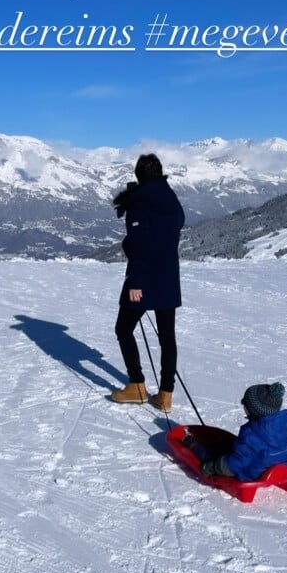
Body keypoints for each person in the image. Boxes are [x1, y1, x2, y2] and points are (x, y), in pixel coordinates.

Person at [111, 153, 185, 411]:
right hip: (168, 277)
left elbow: (140, 245)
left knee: (123, 329)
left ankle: (137, 386)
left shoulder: (140, 203)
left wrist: (135, 282)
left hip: (143, 279)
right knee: (167, 338)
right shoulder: (171, 198)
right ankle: (165, 395)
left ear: (138, 175)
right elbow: (174, 228)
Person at [192, 382, 287, 481]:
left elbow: (234, 464)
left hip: (251, 475)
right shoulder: (286, 425)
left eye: (245, 404)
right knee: (233, 445)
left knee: (215, 452)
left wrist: (212, 467)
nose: (243, 406)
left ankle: (193, 447)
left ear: (255, 411)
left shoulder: (252, 434)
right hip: (273, 468)